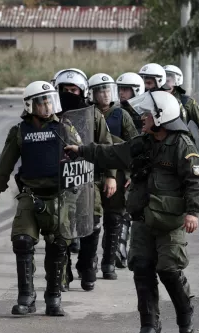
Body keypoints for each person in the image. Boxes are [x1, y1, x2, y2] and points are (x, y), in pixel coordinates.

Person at [65, 91, 199, 333]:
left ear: (161, 118)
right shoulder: (142, 143)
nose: (143, 118)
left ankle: (185, 311)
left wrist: (193, 212)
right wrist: (81, 150)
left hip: (169, 222)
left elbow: (196, 181)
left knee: (169, 269)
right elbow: (112, 153)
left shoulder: (182, 145)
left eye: (148, 115)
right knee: (141, 269)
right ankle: (150, 328)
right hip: (142, 219)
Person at [0, 82, 76, 316]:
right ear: (30, 105)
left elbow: (83, 156)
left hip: (59, 196)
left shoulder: (65, 127)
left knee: (58, 245)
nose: (47, 107)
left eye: (49, 101)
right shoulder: (19, 131)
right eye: (42, 102)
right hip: (31, 194)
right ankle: (26, 297)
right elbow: (4, 165)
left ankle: (53, 298)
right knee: (22, 241)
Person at [54, 68, 114, 292]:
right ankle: (63, 271)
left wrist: (110, 176)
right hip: (60, 181)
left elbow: (107, 146)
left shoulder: (93, 115)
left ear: (82, 91)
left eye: (74, 90)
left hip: (88, 178)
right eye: (65, 90)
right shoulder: (52, 113)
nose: (69, 94)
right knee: (61, 228)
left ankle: (87, 265)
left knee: (93, 223)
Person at [88, 74, 139, 281]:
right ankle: (89, 261)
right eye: (100, 90)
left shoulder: (121, 115)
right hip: (91, 174)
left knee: (114, 218)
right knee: (92, 220)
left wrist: (131, 174)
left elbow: (135, 145)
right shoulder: (86, 114)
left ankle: (109, 262)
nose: (105, 94)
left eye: (108, 89)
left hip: (117, 175)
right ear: (92, 93)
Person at [114, 72, 145, 268]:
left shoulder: (145, 113)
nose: (122, 93)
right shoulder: (116, 113)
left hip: (144, 168)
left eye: (126, 89)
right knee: (122, 210)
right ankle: (119, 248)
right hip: (122, 167)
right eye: (120, 89)